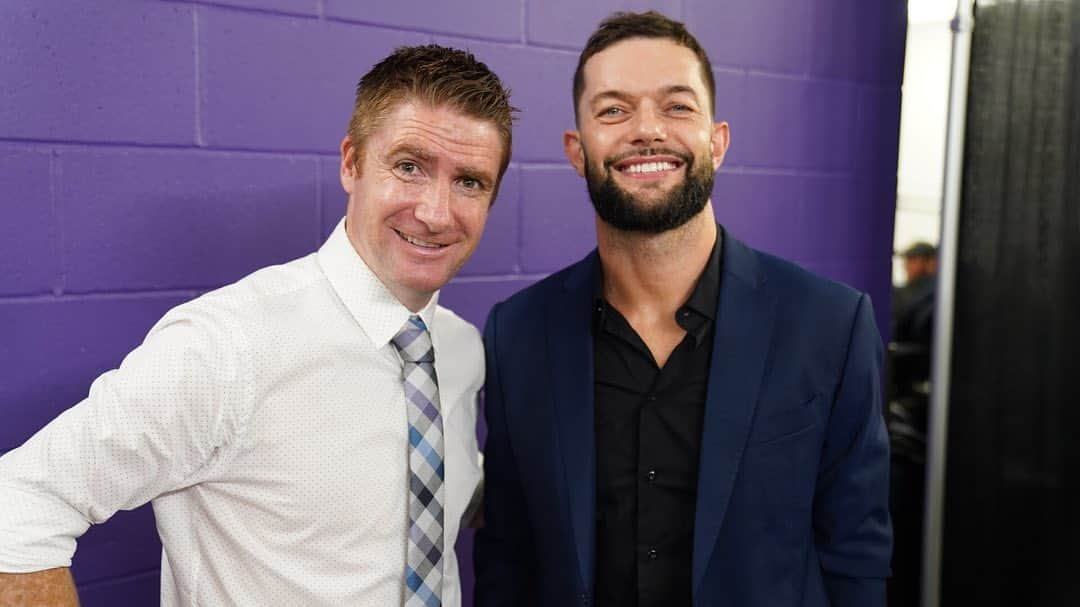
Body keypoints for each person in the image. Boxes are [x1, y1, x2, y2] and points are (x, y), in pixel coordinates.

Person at [0, 44, 515, 607]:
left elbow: (432, 492)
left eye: (469, 181)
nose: (437, 212)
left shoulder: (461, 349)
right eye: (409, 166)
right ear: (352, 163)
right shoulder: (229, 345)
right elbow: (18, 503)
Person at [474, 11, 891, 607]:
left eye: (677, 106)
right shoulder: (516, 333)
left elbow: (857, 549)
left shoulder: (830, 324)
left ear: (716, 142)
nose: (647, 130)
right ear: (577, 149)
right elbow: (508, 558)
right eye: (613, 110)